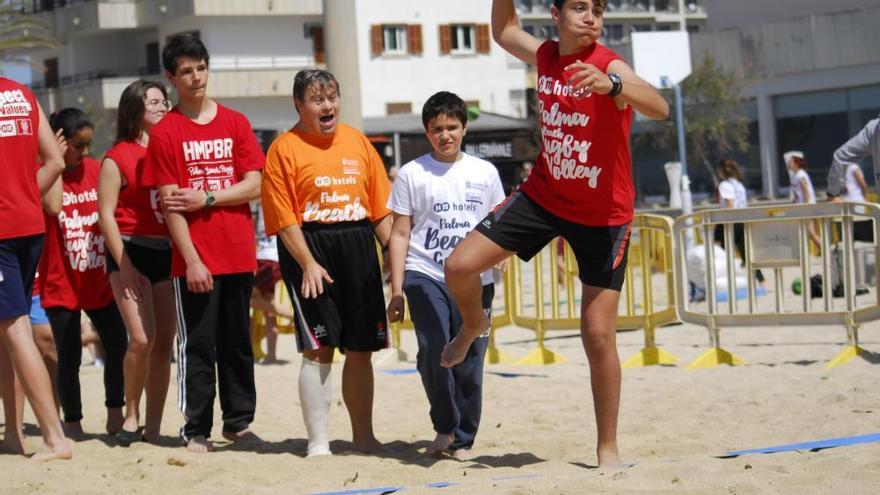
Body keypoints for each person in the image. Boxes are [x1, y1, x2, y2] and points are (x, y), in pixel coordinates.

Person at [440, 0, 669, 468]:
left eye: (599, 10)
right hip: (544, 197)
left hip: (604, 215)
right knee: (458, 266)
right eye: (581, 8)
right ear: (556, 13)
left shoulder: (608, 63)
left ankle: (607, 447)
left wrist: (616, 85)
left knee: (597, 334)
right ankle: (473, 324)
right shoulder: (546, 56)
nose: (592, 18)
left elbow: (661, 106)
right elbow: (504, 30)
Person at [261, 69, 392, 457]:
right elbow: (283, 217)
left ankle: (363, 436)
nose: (327, 106)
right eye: (317, 100)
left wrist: (396, 257)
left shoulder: (358, 142)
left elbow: (380, 210)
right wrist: (307, 262)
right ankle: (318, 441)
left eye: (332, 97)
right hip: (309, 247)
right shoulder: (283, 149)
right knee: (318, 347)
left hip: (358, 243)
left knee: (362, 347)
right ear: (299, 105)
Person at [144, 34, 264, 453]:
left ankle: (239, 423)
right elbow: (173, 205)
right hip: (196, 259)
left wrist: (209, 197)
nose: (196, 77)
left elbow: (255, 185)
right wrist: (192, 260)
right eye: (187, 71)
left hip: (238, 252)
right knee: (197, 344)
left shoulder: (235, 122)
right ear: (171, 77)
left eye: (201, 67)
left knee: (237, 342)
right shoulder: (166, 133)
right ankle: (196, 428)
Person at [386, 92, 505, 457]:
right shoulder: (411, 173)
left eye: (452, 127)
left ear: (465, 128)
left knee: (469, 361)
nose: (445, 135)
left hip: (474, 280)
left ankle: (464, 439)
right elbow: (400, 234)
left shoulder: (485, 173)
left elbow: (500, 222)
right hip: (425, 274)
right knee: (434, 346)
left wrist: (500, 255)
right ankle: (445, 427)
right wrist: (397, 290)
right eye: (437, 128)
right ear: (427, 131)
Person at [97, 80, 177, 446]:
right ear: (136, 110)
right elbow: (106, 215)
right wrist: (124, 264)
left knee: (164, 344)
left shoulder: (171, 149)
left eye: (165, 101)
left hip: (166, 250)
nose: (163, 107)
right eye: (155, 102)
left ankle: (155, 426)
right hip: (129, 250)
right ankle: (131, 414)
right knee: (142, 339)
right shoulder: (118, 156)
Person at [40, 108, 128, 439]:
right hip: (61, 283)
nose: (86, 152)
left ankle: (115, 415)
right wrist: (57, 163)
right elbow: (54, 207)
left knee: (118, 343)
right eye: (79, 145)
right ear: (60, 141)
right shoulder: (46, 174)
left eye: (89, 144)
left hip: (99, 281)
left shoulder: (97, 170)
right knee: (69, 356)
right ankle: (73, 422)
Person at [0, 77, 70, 461]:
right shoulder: (22, 93)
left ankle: (54, 438)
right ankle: (13, 432)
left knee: (15, 329)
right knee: (10, 330)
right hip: (29, 226)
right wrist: (26, 196)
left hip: (4, 231)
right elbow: (56, 161)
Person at [250, 200, 293, 364]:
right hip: (266, 257)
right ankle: (271, 356)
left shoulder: (269, 197)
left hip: (270, 259)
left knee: (247, 298)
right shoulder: (260, 201)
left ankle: (291, 315)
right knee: (268, 307)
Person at [713, 159, 764, 284]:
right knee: (746, 253)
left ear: (721, 171)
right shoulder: (740, 185)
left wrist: (724, 224)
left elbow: (729, 204)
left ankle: (729, 279)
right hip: (742, 219)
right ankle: (761, 280)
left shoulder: (724, 185)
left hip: (730, 220)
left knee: (723, 251)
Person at [827, 115, 879, 199]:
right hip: (855, 199)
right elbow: (862, 184)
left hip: (852, 199)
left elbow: (840, 157)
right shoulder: (854, 167)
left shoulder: (874, 129)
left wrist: (832, 194)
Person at [784, 151, 822, 248]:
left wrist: (806, 206)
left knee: (811, 232)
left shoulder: (801, 175)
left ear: (796, 163)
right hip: (801, 207)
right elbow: (797, 194)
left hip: (806, 207)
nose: (788, 164)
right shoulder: (795, 176)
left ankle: (827, 251)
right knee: (806, 233)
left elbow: (806, 192)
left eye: (790, 162)